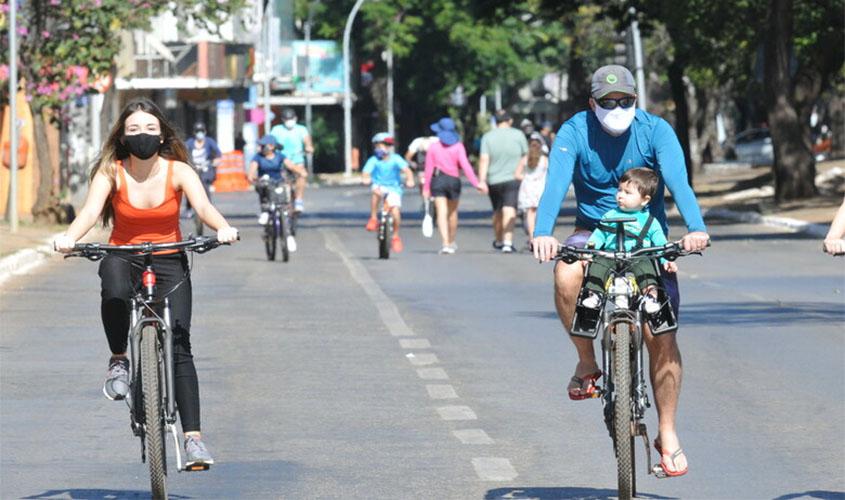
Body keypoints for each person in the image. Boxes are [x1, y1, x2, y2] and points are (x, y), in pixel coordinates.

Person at [532, 65, 710, 478]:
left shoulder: (656, 130)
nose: (617, 108)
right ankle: (586, 363)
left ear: (636, 100)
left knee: (660, 338)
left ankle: (667, 431)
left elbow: (679, 183)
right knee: (565, 274)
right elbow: (555, 184)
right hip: (592, 233)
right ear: (592, 103)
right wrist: (543, 233)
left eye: (625, 101)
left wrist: (695, 228)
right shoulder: (575, 131)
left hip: (648, 239)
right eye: (608, 102)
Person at [53, 97, 239, 467]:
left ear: (162, 134)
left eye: (150, 129)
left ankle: (193, 440)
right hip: (123, 254)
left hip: (170, 258)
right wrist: (69, 237)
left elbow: (203, 208)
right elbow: (90, 211)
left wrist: (223, 229)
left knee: (181, 344)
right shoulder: (112, 172)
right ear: (122, 137)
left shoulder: (179, 172)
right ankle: (120, 359)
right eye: (134, 129)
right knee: (113, 284)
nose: (142, 135)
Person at [577, 168, 676, 319]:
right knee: (597, 266)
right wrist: (588, 252)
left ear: (645, 199)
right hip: (610, 254)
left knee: (647, 269)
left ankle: (650, 297)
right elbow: (598, 236)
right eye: (619, 190)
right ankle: (595, 294)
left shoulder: (650, 221)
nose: (620, 196)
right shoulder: (609, 216)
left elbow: (661, 244)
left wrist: (666, 259)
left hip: (638, 256)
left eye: (627, 193)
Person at [422, 117, 487, 254]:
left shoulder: (433, 147)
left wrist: (426, 188)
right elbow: (466, 166)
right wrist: (476, 183)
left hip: (438, 180)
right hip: (453, 181)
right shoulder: (458, 146)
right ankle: (451, 241)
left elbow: (428, 169)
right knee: (452, 213)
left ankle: (445, 244)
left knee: (441, 212)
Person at [478, 109, 528, 253]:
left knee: (498, 211)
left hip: (493, 180)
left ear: (495, 121)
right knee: (509, 209)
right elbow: (526, 156)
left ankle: (499, 239)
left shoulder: (487, 137)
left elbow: (484, 159)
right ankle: (507, 242)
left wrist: (481, 180)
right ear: (510, 120)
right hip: (513, 178)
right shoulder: (518, 135)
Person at [247, 135, 307, 252]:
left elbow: (291, 166)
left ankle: (288, 235)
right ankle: (265, 212)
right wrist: (252, 177)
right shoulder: (258, 157)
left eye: (263, 145)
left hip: (278, 182)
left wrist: (301, 172)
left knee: (285, 203)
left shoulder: (280, 156)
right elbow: (252, 170)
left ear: (271, 146)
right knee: (263, 188)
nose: (261, 147)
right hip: (265, 183)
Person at [362, 133, 415, 253]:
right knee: (375, 193)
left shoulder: (396, 159)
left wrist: (410, 180)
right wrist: (365, 179)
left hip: (394, 188)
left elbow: (407, 170)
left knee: (395, 213)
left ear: (389, 147)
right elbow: (366, 172)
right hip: (379, 186)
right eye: (378, 146)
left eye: (385, 145)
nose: (381, 148)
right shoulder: (373, 160)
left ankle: (395, 236)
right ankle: (374, 218)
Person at [269, 108, 313, 213]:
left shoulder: (301, 129)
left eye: (291, 118)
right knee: (282, 182)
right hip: (282, 161)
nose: (289, 121)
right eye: (287, 119)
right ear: (283, 120)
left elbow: (307, 141)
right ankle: (283, 202)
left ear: (295, 118)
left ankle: (298, 200)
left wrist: (308, 147)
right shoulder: (276, 129)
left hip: (297, 160)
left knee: (302, 175)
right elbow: (270, 141)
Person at [516, 132, 549, 247]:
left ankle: (531, 237)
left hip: (528, 187)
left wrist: (527, 178)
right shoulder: (544, 160)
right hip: (540, 187)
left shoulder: (525, 159)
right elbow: (550, 175)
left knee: (530, 213)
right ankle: (539, 235)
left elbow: (517, 175)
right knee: (540, 212)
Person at [183, 122, 222, 217]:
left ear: (205, 132)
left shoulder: (209, 141)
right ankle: (189, 208)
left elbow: (218, 154)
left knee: (205, 185)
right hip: (194, 167)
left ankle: (208, 207)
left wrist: (216, 161)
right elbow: (183, 152)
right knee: (190, 186)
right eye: (197, 131)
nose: (199, 133)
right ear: (194, 132)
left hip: (206, 166)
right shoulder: (190, 142)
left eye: (201, 131)